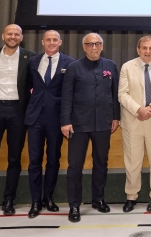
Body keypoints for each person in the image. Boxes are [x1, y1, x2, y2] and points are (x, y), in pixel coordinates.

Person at [0, 24, 36, 220]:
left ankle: (9, 200)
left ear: (21, 37)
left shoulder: (30, 56)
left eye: (16, 34)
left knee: (14, 159)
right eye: (9, 34)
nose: (12, 37)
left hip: (17, 111)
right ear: (3, 36)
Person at [60, 33, 120, 223]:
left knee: (101, 162)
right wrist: (65, 121)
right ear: (84, 47)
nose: (93, 47)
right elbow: (66, 97)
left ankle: (98, 199)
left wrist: (116, 117)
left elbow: (115, 93)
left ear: (102, 46)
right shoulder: (73, 67)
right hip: (78, 124)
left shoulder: (110, 66)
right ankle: (74, 205)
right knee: (75, 166)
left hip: (103, 123)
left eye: (97, 44)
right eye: (89, 44)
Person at [25, 30, 75, 218]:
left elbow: (69, 93)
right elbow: (28, 86)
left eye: (55, 40)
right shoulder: (32, 62)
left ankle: (48, 198)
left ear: (60, 42)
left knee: (53, 159)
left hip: (57, 119)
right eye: (48, 40)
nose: (52, 42)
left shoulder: (69, 63)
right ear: (42, 42)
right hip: (35, 117)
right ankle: (35, 201)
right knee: (34, 161)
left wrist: (67, 119)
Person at [118, 35, 151, 213]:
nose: (148, 51)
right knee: (132, 162)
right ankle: (131, 196)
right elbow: (122, 94)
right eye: (144, 48)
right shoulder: (127, 67)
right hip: (133, 120)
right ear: (138, 49)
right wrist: (139, 109)